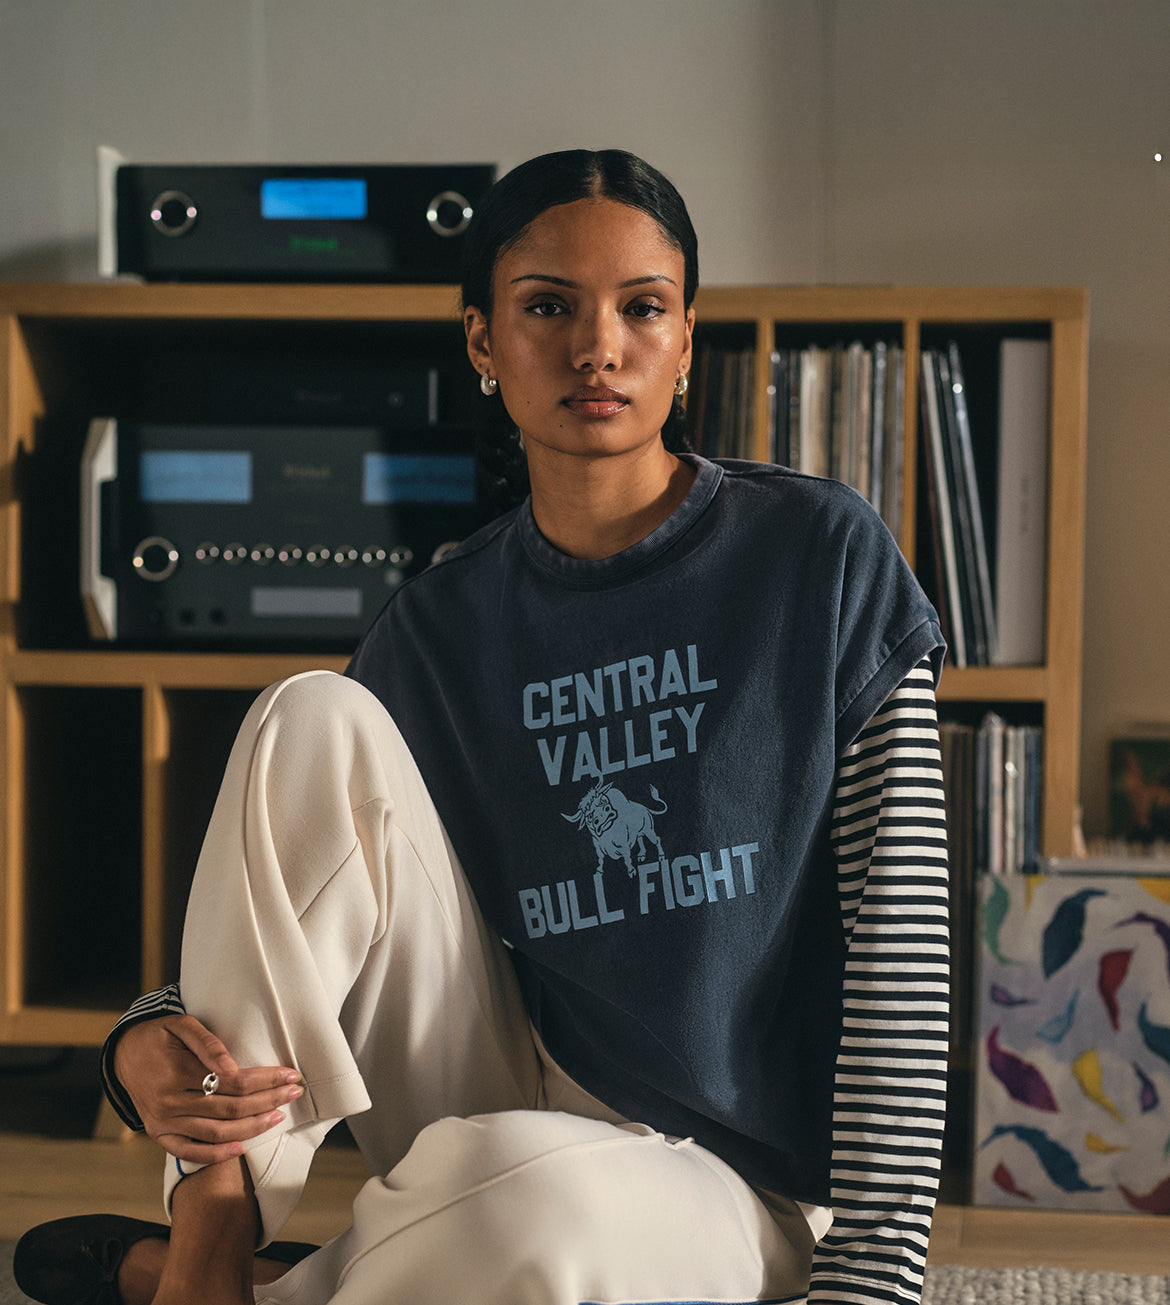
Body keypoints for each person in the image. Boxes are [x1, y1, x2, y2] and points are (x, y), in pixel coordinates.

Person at [14, 149, 949, 1305]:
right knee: (310, 715)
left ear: (686, 338)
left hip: (734, 1183)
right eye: (548, 306)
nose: (597, 348)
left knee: (511, 1194)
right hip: (507, 1077)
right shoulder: (440, 620)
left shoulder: (820, 556)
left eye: (641, 308)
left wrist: (875, 1279)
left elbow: (904, 945)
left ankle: (291, 1285)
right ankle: (211, 1243)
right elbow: (295, 906)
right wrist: (137, 1036)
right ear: (481, 342)